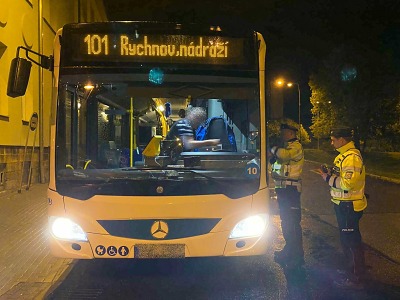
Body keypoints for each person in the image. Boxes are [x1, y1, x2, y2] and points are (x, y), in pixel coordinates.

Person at [318, 127, 367, 289]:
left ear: (342, 140)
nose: (332, 143)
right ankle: (353, 271)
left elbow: (347, 184)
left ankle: (355, 278)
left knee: (350, 242)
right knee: (349, 241)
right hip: (344, 205)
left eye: (333, 140)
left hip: (348, 205)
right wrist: (331, 172)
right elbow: (343, 176)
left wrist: (327, 178)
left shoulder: (351, 158)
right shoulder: (344, 156)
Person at [270, 123, 305, 269]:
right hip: (283, 189)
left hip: (291, 190)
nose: (282, 134)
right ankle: (289, 250)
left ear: (291, 133)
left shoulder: (296, 147)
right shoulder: (284, 147)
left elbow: (284, 156)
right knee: (286, 222)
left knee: (293, 224)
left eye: (284, 132)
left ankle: (297, 257)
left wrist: (272, 149)